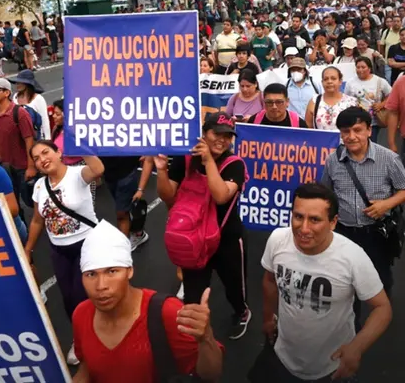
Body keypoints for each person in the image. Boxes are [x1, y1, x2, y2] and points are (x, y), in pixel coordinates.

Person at [256, 183, 391, 382]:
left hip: (332, 367)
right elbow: (269, 280)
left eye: (315, 220)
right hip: (282, 356)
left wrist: (356, 347)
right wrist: (268, 317)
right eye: (298, 216)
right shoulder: (277, 240)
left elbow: (382, 308)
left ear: (333, 222)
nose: (303, 228)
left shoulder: (353, 257)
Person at [71, 221, 224, 383]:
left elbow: (211, 374)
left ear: (129, 271)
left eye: (112, 271)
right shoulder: (81, 314)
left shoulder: (168, 313)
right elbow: (87, 366)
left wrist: (206, 338)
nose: (101, 286)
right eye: (91, 275)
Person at [156, 113, 252, 340]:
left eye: (228, 136)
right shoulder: (186, 158)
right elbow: (168, 196)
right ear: (204, 132)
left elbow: (221, 196)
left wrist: (209, 161)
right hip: (194, 239)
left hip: (226, 239)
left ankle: (241, 312)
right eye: (217, 133)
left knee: (234, 287)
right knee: (193, 295)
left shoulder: (234, 164)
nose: (222, 140)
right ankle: (194, 341)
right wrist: (161, 170)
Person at [320, 106, 405, 330]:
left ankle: (382, 312)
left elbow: (404, 189)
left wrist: (386, 204)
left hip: (377, 233)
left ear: (369, 130)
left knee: (380, 276)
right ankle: (351, 323)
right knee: (346, 280)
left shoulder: (388, 159)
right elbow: (326, 193)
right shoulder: (333, 160)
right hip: (344, 233)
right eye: (345, 131)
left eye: (357, 130)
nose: (351, 136)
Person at [24, 140, 102, 366]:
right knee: (69, 300)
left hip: (86, 245)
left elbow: (98, 170)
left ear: (59, 153)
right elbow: (38, 220)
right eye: (36, 158)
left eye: (45, 153)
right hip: (58, 249)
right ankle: (80, 341)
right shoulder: (39, 186)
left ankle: (98, 339)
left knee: (84, 297)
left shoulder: (77, 174)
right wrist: (28, 250)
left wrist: (84, 146)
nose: (41, 160)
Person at [0, 78, 36, 218]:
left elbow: (29, 140)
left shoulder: (19, 113)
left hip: (22, 167)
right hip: (4, 167)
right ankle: (21, 233)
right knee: (12, 205)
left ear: (7, 92)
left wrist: (31, 166)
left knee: (31, 200)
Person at [344, 57, 391, 142]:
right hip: (356, 120)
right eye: (358, 67)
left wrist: (381, 104)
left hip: (373, 121)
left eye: (363, 67)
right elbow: (346, 99)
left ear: (369, 68)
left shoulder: (379, 81)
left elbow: (391, 95)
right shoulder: (350, 82)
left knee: (371, 143)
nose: (360, 70)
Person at [305, 66, 359, 131]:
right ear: (322, 82)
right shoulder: (314, 101)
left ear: (340, 81)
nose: (329, 81)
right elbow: (308, 127)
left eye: (333, 78)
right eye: (326, 79)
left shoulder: (352, 102)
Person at [11, 69, 50, 140]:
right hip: (19, 137)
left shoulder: (38, 99)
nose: (17, 84)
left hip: (36, 137)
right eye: (17, 82)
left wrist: (48, 139)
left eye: (20, 82)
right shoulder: (15, 97)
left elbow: (45, 120)